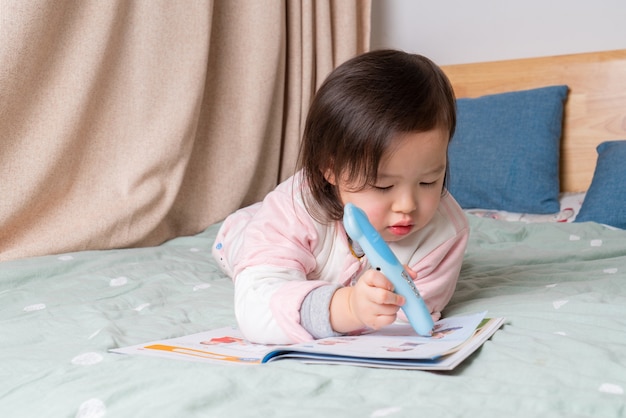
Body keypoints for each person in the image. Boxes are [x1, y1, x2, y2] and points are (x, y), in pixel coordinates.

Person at [212, 49, 469, 344]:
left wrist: (374, 307)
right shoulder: (295, 209)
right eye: (383, 186)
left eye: (428, 181)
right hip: (242, 234)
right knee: (248, 242)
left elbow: (407, 320)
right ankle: (246, 222)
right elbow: (257, 309)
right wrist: (347, 308)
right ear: (330, 169)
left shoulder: (445, 234)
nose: (407, 205)